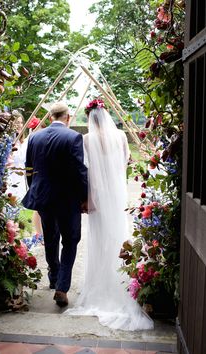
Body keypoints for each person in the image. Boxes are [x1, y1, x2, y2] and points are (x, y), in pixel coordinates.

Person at [66, 99, 154, 331]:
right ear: (106, 115)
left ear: (89, 118)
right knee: (117, 234)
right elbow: (125, 162)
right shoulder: (122, 137)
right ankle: (119, 280)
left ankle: (99, 283)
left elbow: (83, 169)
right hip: (116, 194)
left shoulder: (86, 139)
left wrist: (87, 197)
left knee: (99, 237)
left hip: (96, 194)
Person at [22, 102, 88, 307]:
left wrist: (35, 190)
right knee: (70, 240)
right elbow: (80, 171)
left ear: (50, 117)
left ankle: (53, 277)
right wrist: (85, 197)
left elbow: (29, 169)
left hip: (43, 196)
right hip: (67, 199)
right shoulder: (73, 137)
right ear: (67, 117)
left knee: (50, 238)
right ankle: (61, 287)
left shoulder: (35, 137)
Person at [7, 110, 27, 201]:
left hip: (20, 172)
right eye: (17, 122)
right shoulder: (9, 139)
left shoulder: (20, 140)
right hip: (10, 173)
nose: (20, 125)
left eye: (21, 122)